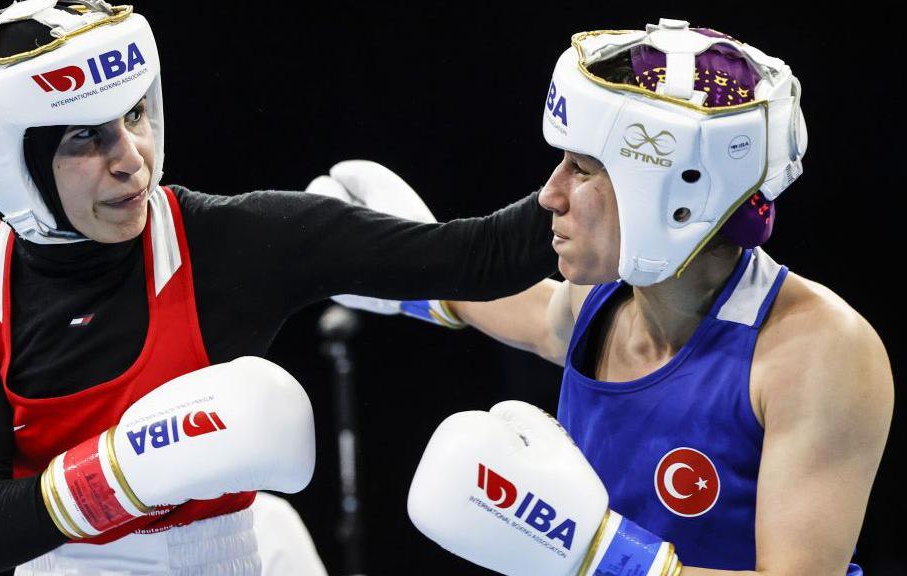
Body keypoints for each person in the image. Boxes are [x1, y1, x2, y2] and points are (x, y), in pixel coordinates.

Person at [0, 1, 558, 574]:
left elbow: (480, 256)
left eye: (135, 114)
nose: (131, 158)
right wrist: (135, 465)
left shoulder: (228, 242)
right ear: (12, 164)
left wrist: (598, 170)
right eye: (86, 135)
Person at [324, 19, 893, 575]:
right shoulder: (599, 298)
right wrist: (401, 271)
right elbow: (541, 321)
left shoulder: (819, 354)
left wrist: (592, 553)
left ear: (674, 193)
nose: (550, 194)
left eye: (582, 169)